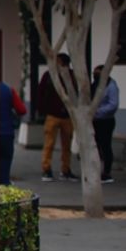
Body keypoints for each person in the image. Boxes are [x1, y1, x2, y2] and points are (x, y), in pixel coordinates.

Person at [37, 53, 75, 182]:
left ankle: (66, 169)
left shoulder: (72, 76)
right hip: (52, 114)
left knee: (67, 145)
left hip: (67, 115)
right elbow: (40, 93)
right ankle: (46, 169)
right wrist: (42, 110)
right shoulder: (49, 76)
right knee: (49, 143)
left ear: (64, 63)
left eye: (58, 61)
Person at [0, 81, 28, 186]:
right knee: (5, 163)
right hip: (6, 133)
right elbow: (22, 110)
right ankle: (4, 189)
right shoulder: (9, 90)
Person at [93, 71, 120, 184]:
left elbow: (113, 105)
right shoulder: (95, 85)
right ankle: (95, 171)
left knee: (105, 146)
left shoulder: (111, 86)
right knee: (95, 146)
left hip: (105, 121)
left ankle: (106, 172)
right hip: (94, 121)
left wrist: (97, 112)